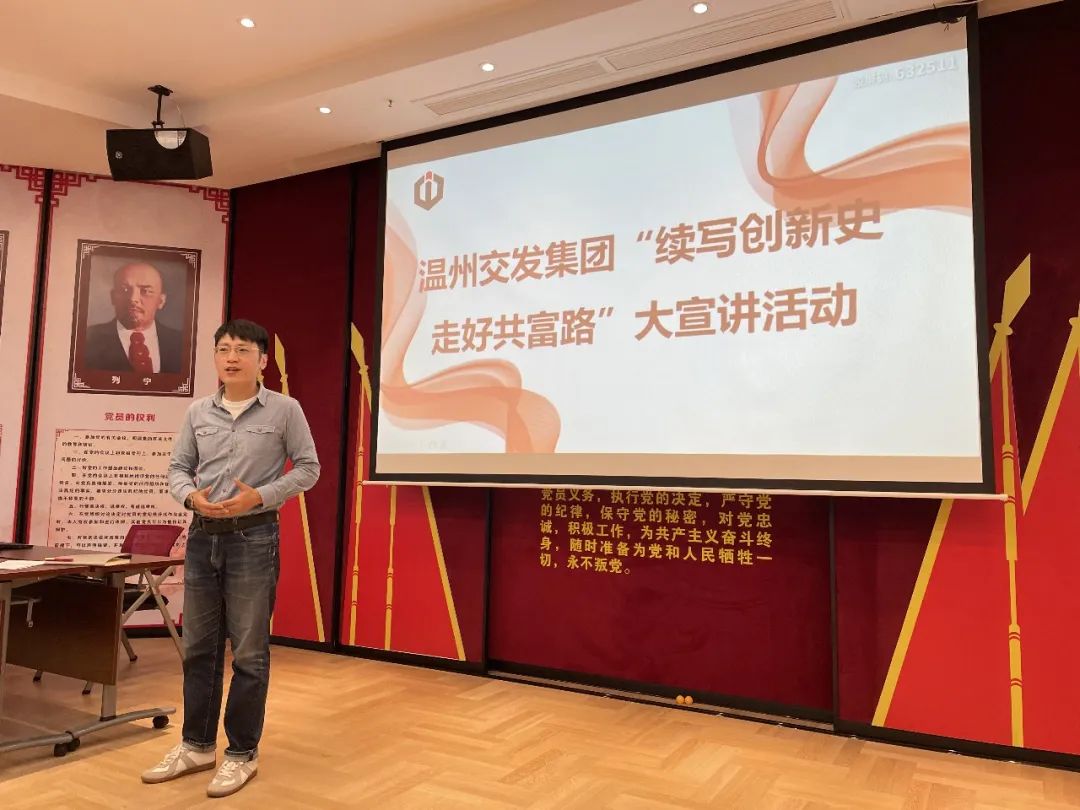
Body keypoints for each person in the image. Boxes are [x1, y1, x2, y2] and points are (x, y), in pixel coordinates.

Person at [144, 319, 320, 798]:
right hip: (203, 537)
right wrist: (190, 497)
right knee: (199, 648)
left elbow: (309, 468)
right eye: (223, 349)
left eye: (242, 350)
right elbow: (178, 468)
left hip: (254, 537)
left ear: (262, 360)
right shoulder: (198, 411)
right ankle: (197, 746)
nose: (232, 358)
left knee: (249, 653)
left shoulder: (285, 409)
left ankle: (242, 753)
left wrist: (259, 496)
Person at [83, 261, 183, 374]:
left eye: (145, 291)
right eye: (124, 289)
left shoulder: (181, 343)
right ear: (113, 297)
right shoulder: (87, 341)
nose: (133, 299)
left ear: (161, 301)